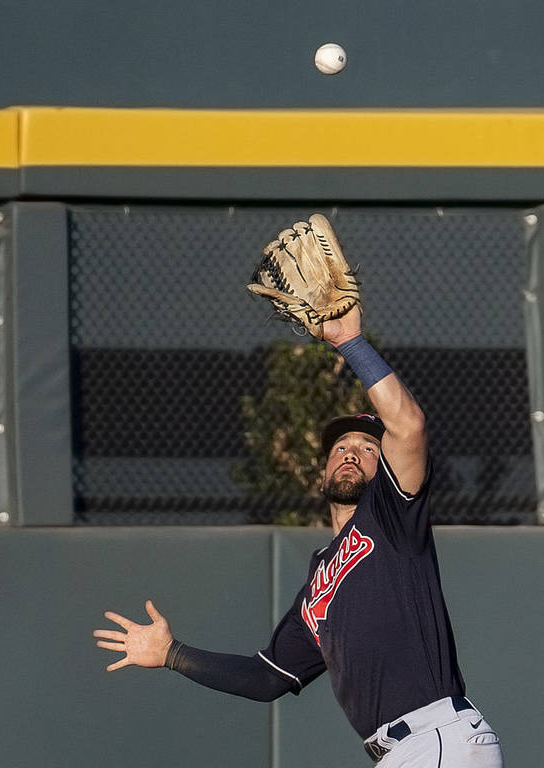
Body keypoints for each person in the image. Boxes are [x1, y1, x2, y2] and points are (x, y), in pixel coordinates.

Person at [93, 304, 505, 766]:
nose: (351, 453)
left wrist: (349, 343)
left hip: (437, 737)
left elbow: (408, 425)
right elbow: (268, 678)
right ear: (322, 472)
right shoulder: (316, 586)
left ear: (384, 466)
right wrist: (173, 654)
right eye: (341, 448)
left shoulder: (392, 516)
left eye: (368, 448)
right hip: (404, 752)